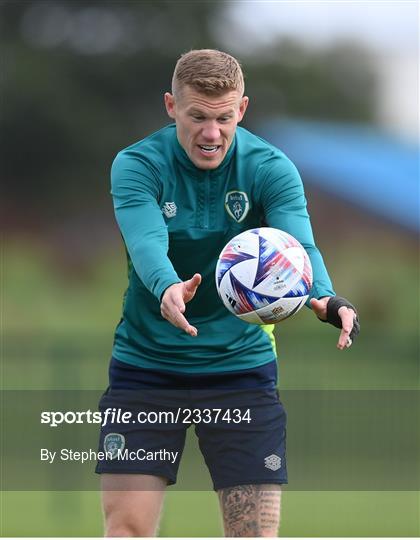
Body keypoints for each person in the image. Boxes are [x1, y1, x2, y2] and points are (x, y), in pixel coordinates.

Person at [96, 49, 360, 537]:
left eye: (223, 117)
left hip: (240, 369)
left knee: (253, 534)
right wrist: (167, 287)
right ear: (171, 106)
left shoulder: (270, 167)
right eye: (197, 116)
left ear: (241, 109)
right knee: (127, 529)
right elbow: (146, 240)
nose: (211, 132)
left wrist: (324, 298)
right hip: (146, 369)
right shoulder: (137, 165)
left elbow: (298, 244)